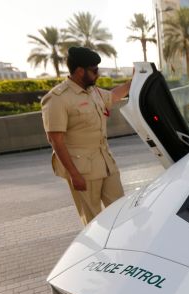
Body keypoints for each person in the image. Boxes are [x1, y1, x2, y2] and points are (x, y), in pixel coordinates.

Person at [41, 46, 132, 225]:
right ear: (80, 71)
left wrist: (133, 82)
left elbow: (113, 96)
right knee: (94, 222)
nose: (98, 74)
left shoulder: (93, 91)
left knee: (121, 212)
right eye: (94, 70)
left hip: (106, 164)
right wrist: (74, 174)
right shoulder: (57, 99)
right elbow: (56, 140)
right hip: (82, 170)